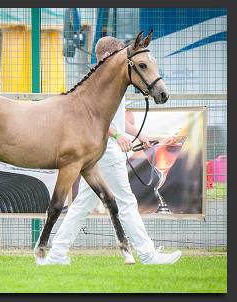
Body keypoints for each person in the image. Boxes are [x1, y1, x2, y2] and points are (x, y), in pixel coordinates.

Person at [41, 36, 182, 265]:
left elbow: (116, 119)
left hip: (104, 149)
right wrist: (117, 136)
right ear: (108, 56)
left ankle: (56, 254)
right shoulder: (94, 84)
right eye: (119, 54)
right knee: (126, 201)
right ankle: (148, 255)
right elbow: (91, 121)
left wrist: (138, 135)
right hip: (104, 150)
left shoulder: (114, 81)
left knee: (82, 204)